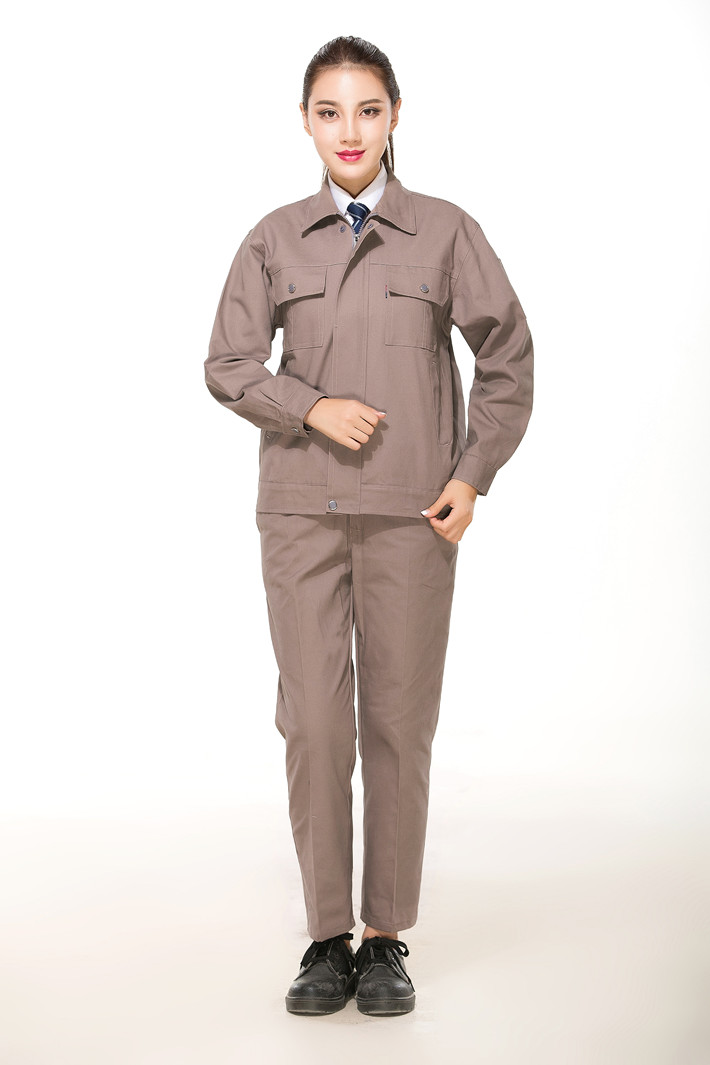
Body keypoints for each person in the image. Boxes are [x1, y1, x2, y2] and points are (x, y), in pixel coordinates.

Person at [204, 35, 534, 1017]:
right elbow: (227, 363)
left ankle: (385, 937)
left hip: (410, 514)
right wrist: (308, 406)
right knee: (313, 723)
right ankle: (324, 936)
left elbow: (507, 354)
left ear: (395, 116)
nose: (348, 130)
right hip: (300, 513)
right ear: (305, 122)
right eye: (329, 111)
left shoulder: (445, 232)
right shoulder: (273, 238)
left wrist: (471, 474)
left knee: (396, 722)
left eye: (367, 109)